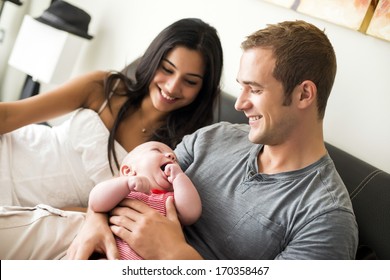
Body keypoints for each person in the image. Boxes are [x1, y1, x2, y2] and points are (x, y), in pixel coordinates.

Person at [67, 19, 358, 260]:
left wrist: (175, 254)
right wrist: (94, 218)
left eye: (254, 90)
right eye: (241, 88)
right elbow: (132, 185)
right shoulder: (215, 137)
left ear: (304, 94)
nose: (239, 104)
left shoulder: (326, 217)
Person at [0, 17, 223, 209]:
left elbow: (134, 212)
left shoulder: (176, 152)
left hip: (45, 217)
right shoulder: (104, 87)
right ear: (154, 59)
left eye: (190, 81)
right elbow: (10, 116)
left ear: (203, 89)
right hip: (12, 155)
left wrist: (78, 214)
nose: (173, 87)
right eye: (166, 69)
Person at [88, 141, 201, 260]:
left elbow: (191, 214)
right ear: (128, 171)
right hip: (108, 255)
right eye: (157, 150)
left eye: (176, 160)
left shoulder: (172, 199)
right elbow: (95, 203)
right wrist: (126, 184)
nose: (171, 156)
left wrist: (179, 178)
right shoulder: (123, 191)